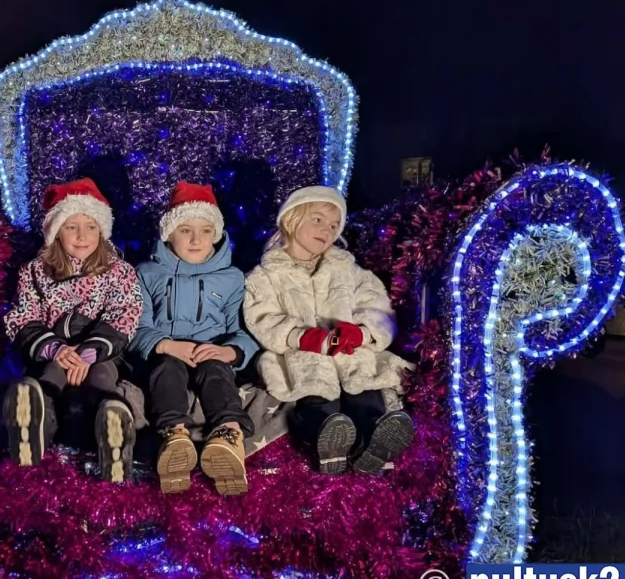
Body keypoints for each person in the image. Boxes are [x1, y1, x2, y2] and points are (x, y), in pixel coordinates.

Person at [243, 186, 413, 476]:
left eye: (335, 225)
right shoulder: (265, 275)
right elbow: (262, 316)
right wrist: (302, 336)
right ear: (291, 219)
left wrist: (361, 332)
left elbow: (378, 306)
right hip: (301, 353)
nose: (328, 230)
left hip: (349, 350)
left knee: (364, 383)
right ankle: (326, 439)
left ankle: (374, 441)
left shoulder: (348, 270)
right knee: (315, 389)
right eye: (318, 220)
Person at [2, 178, 143, 483]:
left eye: (91, 227)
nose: (82, 236)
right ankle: (34, 425)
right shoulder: (35, 272)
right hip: (56, 350)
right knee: (51, 374)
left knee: (103, 375)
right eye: (71, 227)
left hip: (100, 352)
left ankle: (112, 425)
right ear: (56, 231)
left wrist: (90, 352)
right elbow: (24, 316)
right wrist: (56, 348)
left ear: (101, 231)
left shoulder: (119, 272)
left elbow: (126, 313)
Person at [130, 182, 260, 496]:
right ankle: (175, 437)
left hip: (210, 352)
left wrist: (230, 351)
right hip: (168, 350)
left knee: (215, 371)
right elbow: (135, 326)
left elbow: (246, 331)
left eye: (204, 230)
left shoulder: (232, 278)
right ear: (168, 234)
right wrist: (164, 344)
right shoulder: (146, 273)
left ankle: (227, 436)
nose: (196, 239)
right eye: (185, 230)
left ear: (215, 234)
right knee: (167, 368)